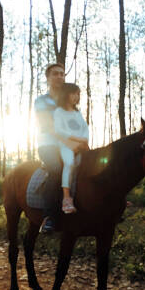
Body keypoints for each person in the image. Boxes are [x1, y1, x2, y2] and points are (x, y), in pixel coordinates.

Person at [34, 63, 66, 233]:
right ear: (48, 78)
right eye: (55, 74)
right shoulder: (41, 101)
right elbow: (46, 124)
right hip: (48, 145)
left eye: (62, 74)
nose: (60, 77)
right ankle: (48, 217)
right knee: (57, 169)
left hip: (68, 145)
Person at [54, 83, 89, 213]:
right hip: (66, 145)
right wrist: (78, 140)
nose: (76, 96)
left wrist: (84, 140)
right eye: (73, 93)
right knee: (69, 163)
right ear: (65, 94)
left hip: (81, 145)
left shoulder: (77, 113)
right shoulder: (59, 112)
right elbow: (58, 130)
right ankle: (66, 199)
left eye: (78, 94)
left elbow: (85, 128)